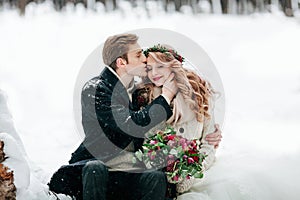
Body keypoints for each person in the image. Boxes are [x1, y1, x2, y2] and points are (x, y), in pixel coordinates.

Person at [49, 34, 222, 200]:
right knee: (97, 169)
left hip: (146, 172)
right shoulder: (99, 89)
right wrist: (167, 95)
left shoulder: (139, 89)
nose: (145, 60)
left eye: (159, 66)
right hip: (103, 165)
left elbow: (205, 137)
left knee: (155, 177)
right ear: (121, 62)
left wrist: (198, 152)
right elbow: (132, 125)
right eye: (139, 55)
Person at [136, 44, 219, 196]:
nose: (154, 73)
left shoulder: (199, 91)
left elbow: (209, 142)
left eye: (160, 66)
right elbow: (144, 141)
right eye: (149, 68)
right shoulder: (144, 96)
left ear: (173, 66)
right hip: (157, 179)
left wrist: (193, 171)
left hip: (196, 176)